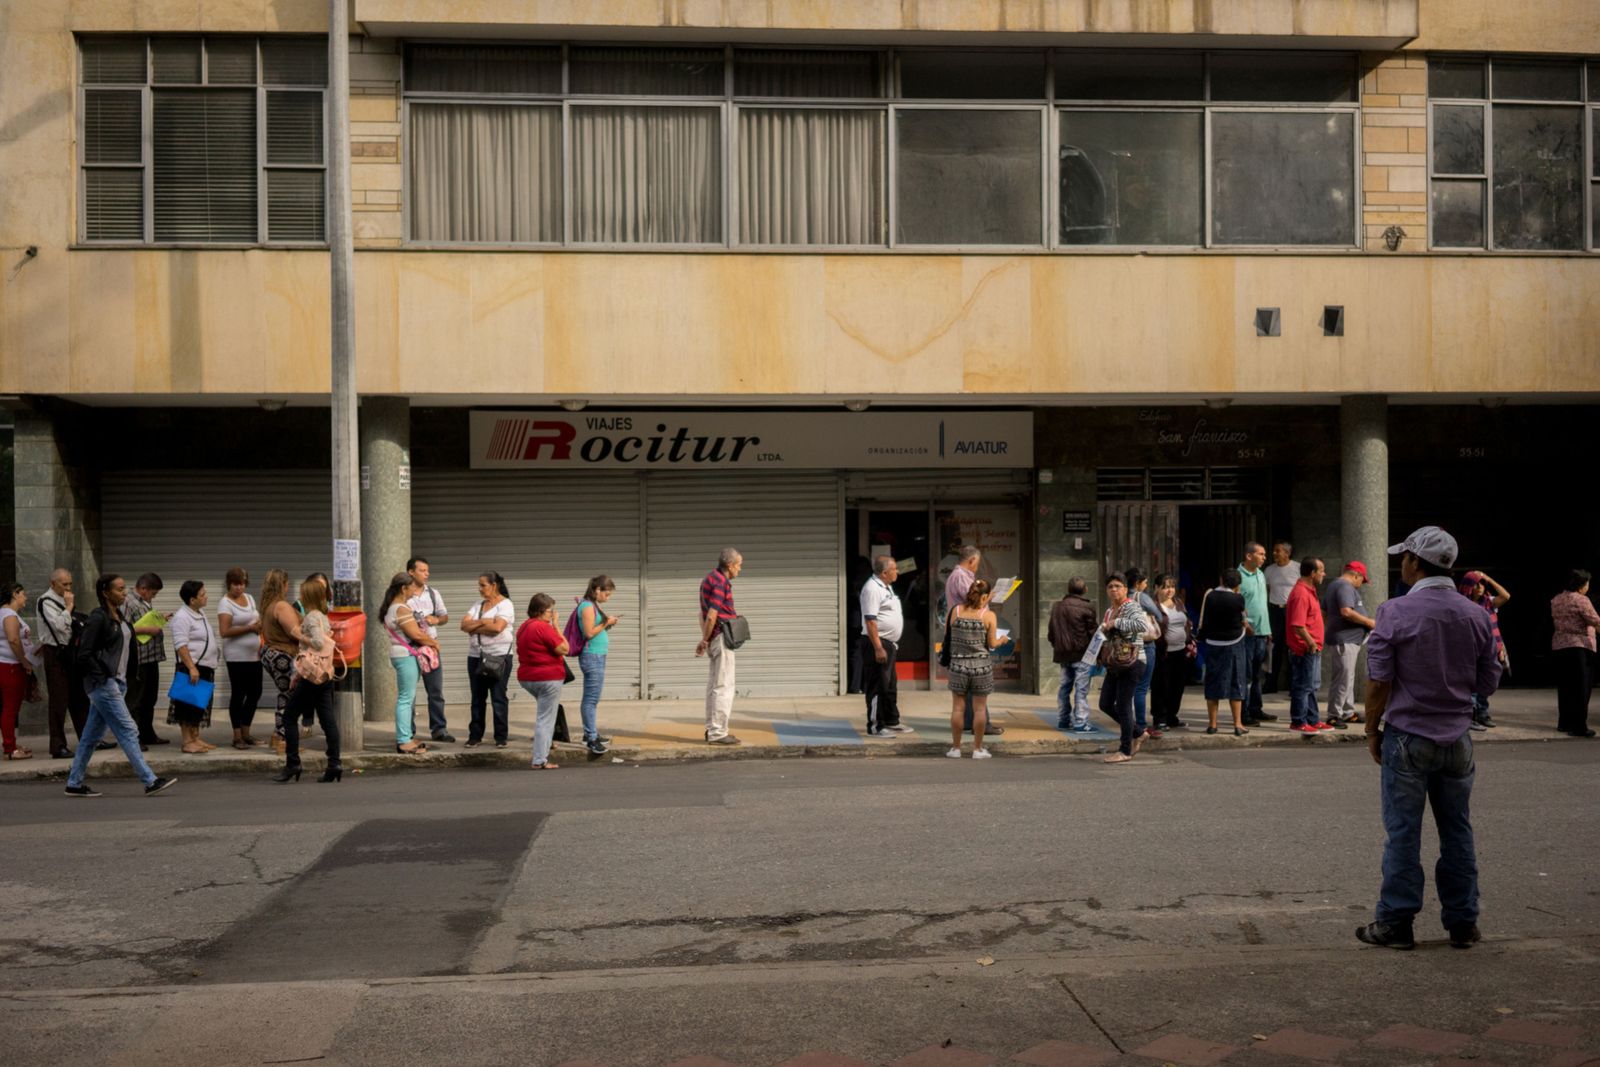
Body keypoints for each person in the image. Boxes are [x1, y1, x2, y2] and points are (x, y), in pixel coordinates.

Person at [1358, 526, 1499, 951]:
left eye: (1404, 557)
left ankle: (1396, 924)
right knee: (1458, 831)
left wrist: (1370, 730)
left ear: (1416, 563)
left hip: (1408, 736)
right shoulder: (1474, 614)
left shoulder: (1395, 612)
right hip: (1457, 738)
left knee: (1403, 833)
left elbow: (1378, 680)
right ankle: (1463, 923)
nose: (1401, 564)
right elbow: (1488, 680)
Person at [62, 574, 177, 798]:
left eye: (125, 589)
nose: (124, 593)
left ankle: (74, 783)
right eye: (119, 589)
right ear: (106, 593)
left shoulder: (120, 616)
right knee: (128, 729)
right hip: (105, 684)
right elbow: (84, 654)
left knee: (90, 737)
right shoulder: (99, 618)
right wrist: (103, 677)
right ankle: (149, 780)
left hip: (118, 682)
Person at [273, 577, 342, 783]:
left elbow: (318, 643)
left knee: (289, 717)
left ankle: (293, 764)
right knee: (328, 719)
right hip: (324, 675)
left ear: (308, 596)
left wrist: (298, 635)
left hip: (311, 676)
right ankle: (334, 763)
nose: (300, 597)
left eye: (303, 593)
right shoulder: (322, 616)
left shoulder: (312, 617)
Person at [946, 545, 1004, 738]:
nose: (977, 569)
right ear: (971, 560)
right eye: (977, 564)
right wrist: (989, 598)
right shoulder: (962, 577)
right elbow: (972, 603)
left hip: (960, 644)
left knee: (961, 698)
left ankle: (965, 731)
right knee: (977, 695)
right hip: (971, 639)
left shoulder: (959, 577)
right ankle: (980, 726)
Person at [1098, 575, 1155, 764]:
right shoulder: (1109, 610)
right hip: (1115, 662)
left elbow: (1141, 625)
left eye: (1117, 586)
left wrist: (1116, 623)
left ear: (1124, 589)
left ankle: (1125, 750)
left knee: (1123, 705)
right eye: (1110, 586)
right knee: (1105, 703)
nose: (1113, 589)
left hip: (1133, 661)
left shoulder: (1131, 606)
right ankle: (1138, 732)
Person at [382, 571, 438, 755]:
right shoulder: (400, 608)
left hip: (402, 655)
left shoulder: (395, 607)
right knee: (406, 698)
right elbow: (415, 634)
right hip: (405, 655)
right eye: (412, 585)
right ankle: (403, 740)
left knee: (408, 697)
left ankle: (406, 736)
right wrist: (434, 643)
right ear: (403, 588)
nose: (415, 588)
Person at [37, 568, 91, 759]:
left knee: (80, 698)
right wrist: (68, 607)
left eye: (70, 584)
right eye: (64, 584)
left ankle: (88, 738)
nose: (68, 588)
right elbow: (59, 626)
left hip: (71, 653)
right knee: (59, 700)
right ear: (53, 584)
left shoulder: (62, 599)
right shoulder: (45, 601)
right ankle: (58, 745)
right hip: (56, 654)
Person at [461, 571, 515, 749]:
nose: (480, 589)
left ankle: (501, 736)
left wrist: (476, 624)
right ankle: (475, 735)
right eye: (479, 585)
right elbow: (463, 625)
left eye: (483, 585)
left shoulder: (505, 605)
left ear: (494, 585)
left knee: (498, 696)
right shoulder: (478, 604)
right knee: (477, 697)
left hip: (498, 655)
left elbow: (498, 628)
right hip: (476, 656)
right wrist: (485, 622)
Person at [696, 548, 743, 746]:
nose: (740, 569)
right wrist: (706, 639)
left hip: (715, 637)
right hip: (722, 638)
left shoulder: (710, 578)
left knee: (714, 686)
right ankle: (718, 732)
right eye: (739, 565)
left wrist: (705, 638)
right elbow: (712, 614)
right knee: (724, 686)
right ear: (730, 565)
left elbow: (702, 613)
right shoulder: (720, 582)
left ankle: (712, 728)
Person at [516, 592, 569, 770]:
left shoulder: (524, 627)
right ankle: (540, 759)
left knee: (545, 713)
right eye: (549, 611)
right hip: (547, 678)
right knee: (545, 719)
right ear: (540, 611)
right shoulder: (543, 627)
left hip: (527, 678)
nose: (551, 614)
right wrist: (556, 625)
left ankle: (546, 743)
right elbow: (564, 648)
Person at [167, 580, 220, 754]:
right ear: (192, 600)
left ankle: (195, 738)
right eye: (203, 594)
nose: (206, 597)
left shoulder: (199, 612)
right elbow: (181, 645)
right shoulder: (182, 617)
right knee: (186, 705)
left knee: (198, 705)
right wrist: (191, 667)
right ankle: (187, 741)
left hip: (204, 666)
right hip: (192, 666)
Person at [1322, 561, 1376, 726]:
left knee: (1347, 677)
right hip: (1345, 640)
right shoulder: (1345, 586)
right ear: (1355, 575)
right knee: (1343, 679)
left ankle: (1347, 712)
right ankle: (1334, 715)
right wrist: (1368, 622)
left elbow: (1324, 612)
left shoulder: (1333, 585)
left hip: (1344, 638)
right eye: (1362, 580)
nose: (1361, 585)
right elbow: (1346, 611)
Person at [217, 567, 265, 750]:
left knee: (255, 692)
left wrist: (259, 626)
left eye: (243, 584)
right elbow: (224, 631)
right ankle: (237, 736)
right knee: (239, 693)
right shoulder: (225, 603)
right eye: (236, 584)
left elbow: (255, 620)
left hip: (254, 654)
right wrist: (249, 628)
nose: (240, 588)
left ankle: (246, 732)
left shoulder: (250, 598)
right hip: (236, 656)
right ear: (229, 584)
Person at [1197, 569, 1250, 737]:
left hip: (1213, 643)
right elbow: (1243, 619)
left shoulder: (1210, 596)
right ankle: (1237, 724)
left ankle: (1212, 725)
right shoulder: (1238, 599)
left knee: (1213, 682)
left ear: (1221, 580)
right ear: (1237, 584)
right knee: (1236, 681)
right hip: (1234, 643)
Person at [407, 557, 454, 744]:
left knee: (435, 690)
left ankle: (439, 729)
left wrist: (436, 620)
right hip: (410, 647)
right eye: (422, 570)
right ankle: (408, 731)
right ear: (411, 572)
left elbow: (444, 617)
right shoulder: (403, 594)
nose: (427, 574)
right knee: (408, 692)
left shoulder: (433, 593)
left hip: (431, 646)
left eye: (427, 571)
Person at [121, 573, 171, 748]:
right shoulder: (128, 601)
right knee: (136, 699)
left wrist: (160, 619)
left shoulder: (144, 602)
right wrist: (148, 629)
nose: (154, 597)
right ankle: (133, 738)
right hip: (138, 659)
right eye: (153, 593)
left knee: (150, 698)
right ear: (143, 589)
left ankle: (147, 734)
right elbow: (123, 628)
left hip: (152, 657)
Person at [860, 556, 907, 739]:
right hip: (877, 643)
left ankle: (891, 721)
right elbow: (870, 621)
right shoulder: (872, 589)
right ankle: (875, 726)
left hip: (889, 643)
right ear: (884, 573)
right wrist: (878, 647)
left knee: (889, 685)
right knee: (877, 686)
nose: (898, 572)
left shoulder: (886, 586)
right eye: (894, 569)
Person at [1457, 570, 1510, 731]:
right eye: (1476, 584)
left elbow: (1506, 596)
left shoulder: (1488, 602)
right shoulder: (1462, 605)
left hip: (1491, 649)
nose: (1480, 587)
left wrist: (1489, 578)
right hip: (1471, 650)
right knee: (1471, 686)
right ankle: (1470, 716)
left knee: (1485, 683)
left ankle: (1482, 713)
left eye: (1482, 584)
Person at [1550, 569, 1599, 738]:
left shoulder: (1556, 599)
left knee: (1565, 687)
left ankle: (1564, 722)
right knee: (1581, 688)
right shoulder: (1581, 600)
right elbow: (1595, 620)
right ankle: (1579, 726)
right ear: (1581, 585)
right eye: (1587, 584)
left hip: (1560, 646)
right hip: (1580, 647)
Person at [576, 575, 620, 755]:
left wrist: (607, 624)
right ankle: (591, 738)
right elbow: (588, 633)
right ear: (597, 590)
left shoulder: (593, 606)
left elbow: (596, 629)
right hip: (591, 656)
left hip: (597, 655)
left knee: (593, 698)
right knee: (591, 699)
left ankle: (591, 732)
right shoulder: (587, 607)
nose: (607, 598)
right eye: (606, 594)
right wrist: (606, 622)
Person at [257, 569, 300, 755]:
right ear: (283, 585)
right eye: (287, 583)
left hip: (270, 654)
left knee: (285, 694)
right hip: (282, 655)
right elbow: (295, 631)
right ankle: (284, 738)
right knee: (288, 697)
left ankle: (278, 736)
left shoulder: (267, 605)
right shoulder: (281, 606)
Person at [1048, 576, 1097, 732]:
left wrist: (1058, 645)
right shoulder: (1088, 607)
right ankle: (1081, 722)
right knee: (1081, 689)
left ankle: (1063, 720)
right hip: (1082, 654)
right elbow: (1093, 633)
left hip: (1063, 654)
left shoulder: (1057, 607)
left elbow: (1051, 633)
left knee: (1064, 688)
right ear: (1085, 590)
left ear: (1068, 589)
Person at [1285, 557, 1329, 733]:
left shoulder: (1309, 590)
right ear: (1312, 573)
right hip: (1304, 649)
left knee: (1311, 686)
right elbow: (1297, 624)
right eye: (1321, 570)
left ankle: (1312, 719)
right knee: (1303, 686)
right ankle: (1298, 721)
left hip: (1313, 647)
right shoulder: (1301, 593)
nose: (1324, 574)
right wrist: (1310, 642)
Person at [1237, 542, 1276, 726]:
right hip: (1247, 633)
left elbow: (1261, 605)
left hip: (1262, 632)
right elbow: (1236, 603)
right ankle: (1243, 713)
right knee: (1245, 675)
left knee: (1257, 673)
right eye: (1261, 554)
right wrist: (1244, 623)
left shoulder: (1260, 573)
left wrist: (1267, 629)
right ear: (1249, 556)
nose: (1264, 557)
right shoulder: (1238, 576)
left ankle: (1256, 708)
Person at [0, 584, 37, 760]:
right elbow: (14, 639)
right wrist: (24, 661)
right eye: (23, 594)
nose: (25, 598)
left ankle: (11, 743)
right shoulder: (9, 615)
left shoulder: (4, 614)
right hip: (11, 666)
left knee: (9, 707)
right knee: (10, 708)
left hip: (7, 665)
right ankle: (10, 748)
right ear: (14, 595)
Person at [1150, 574, 1192, 730]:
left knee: (1177, 686)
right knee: (1161, 686)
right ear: (1156, 588)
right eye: (1166, 587)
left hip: (1181, 651)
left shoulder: (1178, 602)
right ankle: (1159, 718)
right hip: (1163, 653)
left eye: (1172, 587)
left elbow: (1186, 622)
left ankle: (1172, 716)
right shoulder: (1153, 606)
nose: (1170, 590)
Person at [1127, 569, 1163, 739]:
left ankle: (1129, 721)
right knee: (1141, 688)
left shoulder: (1121, 597)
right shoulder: (1141, 597)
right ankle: (1141, 725)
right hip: (1145, 645)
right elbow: (1159, 616)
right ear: (1137, 583)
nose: (1146, 585)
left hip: (1127, 646)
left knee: (1130, 687)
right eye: (1145, 582)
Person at [1264, 541, 1297, 693]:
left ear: (1287, 553)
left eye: (1278, 551)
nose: (1274, 554)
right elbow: (1267, 590)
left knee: (1292, 647)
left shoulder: (1297, 568)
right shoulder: (1269, 570)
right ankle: (1271, 684)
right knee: (1274, 648)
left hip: (1291, 611)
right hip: (1275, 610)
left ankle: (1293, 685)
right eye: (1274, 551)